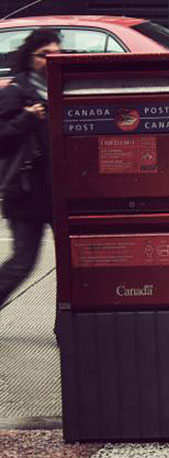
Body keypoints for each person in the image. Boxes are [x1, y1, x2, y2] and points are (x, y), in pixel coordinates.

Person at [0, 29, 60, 310]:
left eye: (57, 55)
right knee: (23, 262)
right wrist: (27, 118)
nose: (51, 61)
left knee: (73, 267)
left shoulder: (59, 89)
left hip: (57, 191)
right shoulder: (16, 92)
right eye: (44, 55)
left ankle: (66, 328)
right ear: (29, 58)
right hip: (25, 194)